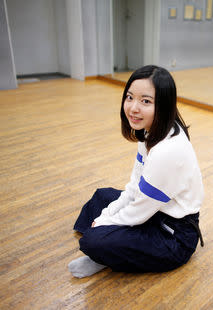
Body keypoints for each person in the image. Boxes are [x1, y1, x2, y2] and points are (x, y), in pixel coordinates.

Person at [68, 65, 204, 278]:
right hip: (154, 212)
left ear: (164, 105)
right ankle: (110, 250)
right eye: (130, 97)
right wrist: (106, 216)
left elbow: (139, 211)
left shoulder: (168, 151)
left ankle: (104, 254)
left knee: (93, 240)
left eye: (146, 101)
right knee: (101, 197)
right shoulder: (151, 132)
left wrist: (103, 223)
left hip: (173, 237)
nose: (133, 108)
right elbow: (134, 189)